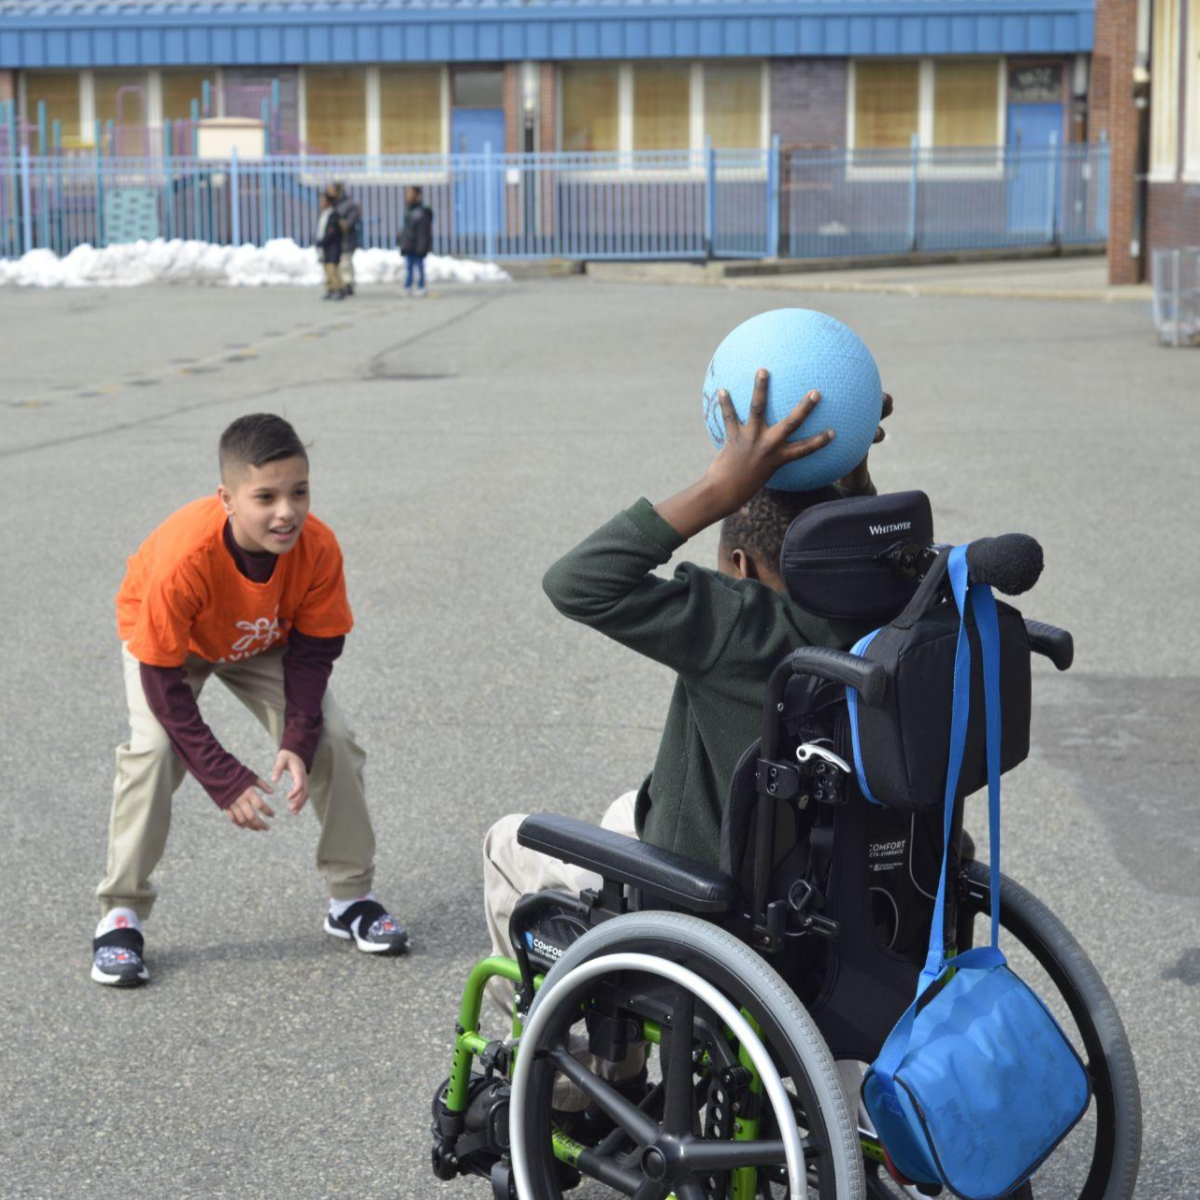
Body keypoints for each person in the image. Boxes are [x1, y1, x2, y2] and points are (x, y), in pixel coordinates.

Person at [481, 372, 890, 1119]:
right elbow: (868, 548)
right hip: (861, 894)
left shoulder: (741, 623)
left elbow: (577, 582)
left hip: (717, 903)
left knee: (511, 841)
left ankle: (589, 1077)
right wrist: (853, 466)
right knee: (621, 807)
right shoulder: (900, 614)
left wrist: (717, 488)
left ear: (738, 566)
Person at [92, 414, 408, 987]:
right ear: (228, 498)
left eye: (299, 492)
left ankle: (351, 898)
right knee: (156, 753)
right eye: (265, 496)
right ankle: (121, 913)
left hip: (261, 640)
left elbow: (314, 652)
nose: (285, 511)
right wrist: (222, 776)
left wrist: (297, 738)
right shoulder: (184, 558)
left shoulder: (317, 547)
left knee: (332, 740)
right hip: (172, 648)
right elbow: (162, 683)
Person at [398, 185, 433, 298]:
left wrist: (422, 246)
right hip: (409, 243)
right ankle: (408, 286)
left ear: (417, 195)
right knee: (409, 266)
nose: (408, 196)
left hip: (418, 244)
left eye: (410, 193)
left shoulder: (422, 211)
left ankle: (421, 286)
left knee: (419, 265)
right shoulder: (409, 209)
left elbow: (423, 231)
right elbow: (407, 228)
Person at [331, 182, 361, 298]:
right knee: (340, 263)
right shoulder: (334, 204)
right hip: (336, 239)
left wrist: (341, 224)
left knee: (346, 262)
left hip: (347, 239)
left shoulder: (348, 204)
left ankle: (348, 284)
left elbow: (351, 221)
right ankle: (342, 284)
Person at [316, 192, 343, 300]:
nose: (321, 202)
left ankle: (337, 289)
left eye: (323, 200)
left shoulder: (333, 215)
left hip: (332, 247)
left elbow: (331, 232)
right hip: (325, 247)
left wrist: (322, 241)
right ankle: (330, 289)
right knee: (326, 269)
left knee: (333, 269)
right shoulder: (324, 214)